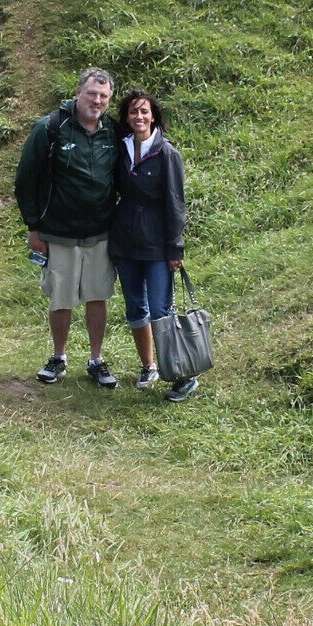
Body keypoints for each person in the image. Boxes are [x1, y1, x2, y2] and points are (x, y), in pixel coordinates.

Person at [13, 67, 123, 387]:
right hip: (58, 231)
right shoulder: (49, 128)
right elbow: (25, 181)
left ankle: (96, 359)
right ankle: (58, 356)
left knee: (97, 296)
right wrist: (33, 227)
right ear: (78, 92)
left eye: (104, 96)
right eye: (92, 93)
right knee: (61, 298)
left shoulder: (112, 132)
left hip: (101, 231)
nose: (97, 100)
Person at [110, 88, 197, 401]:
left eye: (144, 111)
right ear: (127, 117)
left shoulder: (167, 152)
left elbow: (176, 202)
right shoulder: (120, 148)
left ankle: (182, 374)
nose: (139, 117)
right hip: (125, 242)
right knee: (135, 307)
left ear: (154, 116)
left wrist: (176, 247)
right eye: (134, 112)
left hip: (158, 246)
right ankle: (149, 367)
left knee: (161, 310)